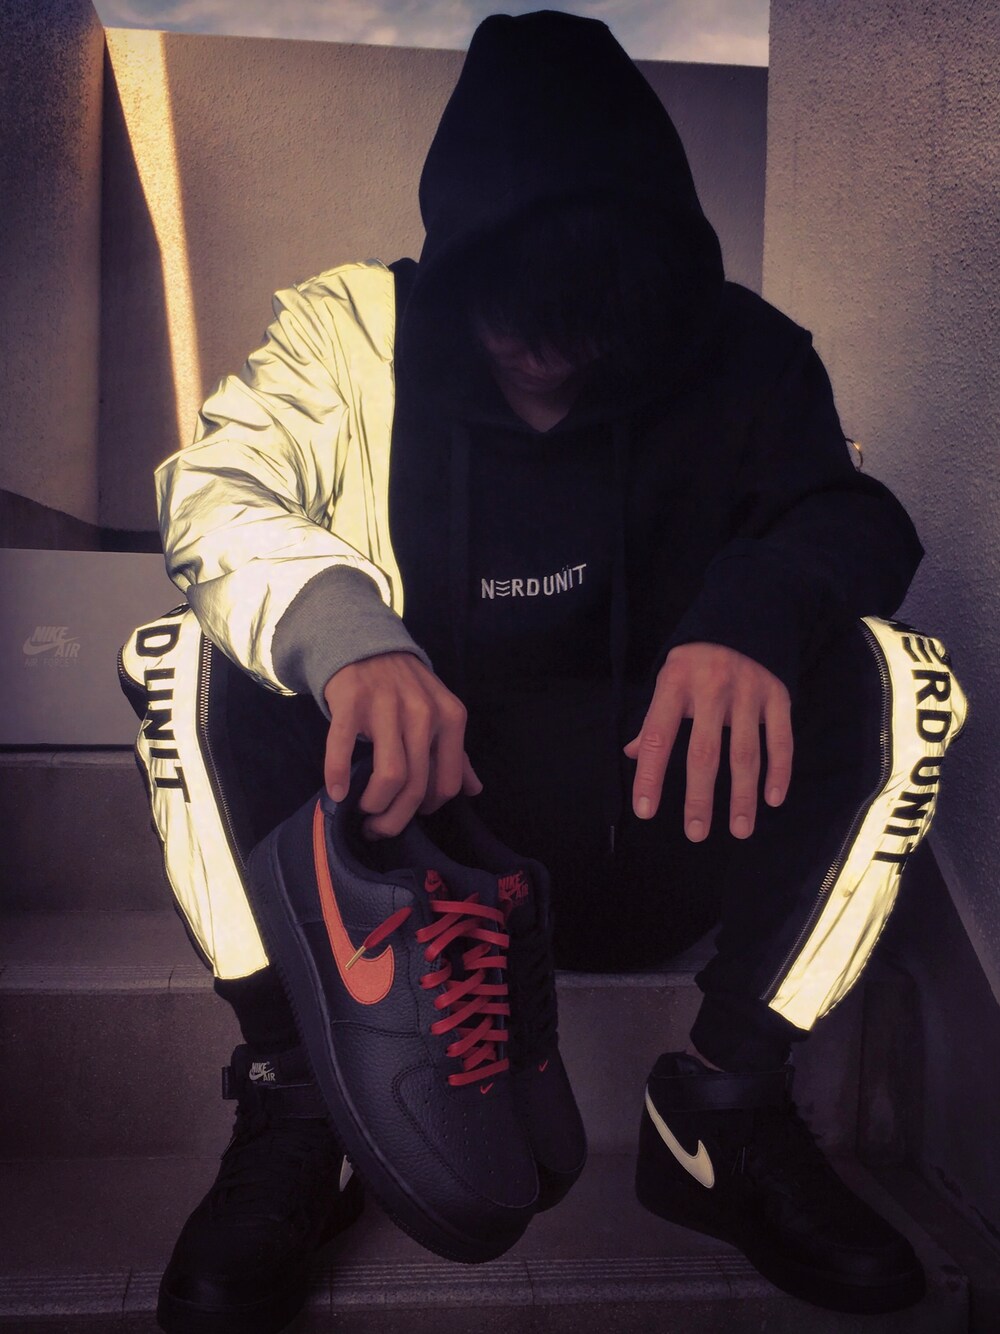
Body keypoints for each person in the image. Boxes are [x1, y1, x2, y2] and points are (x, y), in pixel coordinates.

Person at [119, 10, 967, 1332]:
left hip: (661, 833)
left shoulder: (742, 351)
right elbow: (212, 490)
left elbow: (856, 518)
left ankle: (726, 1102)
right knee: (187, 655)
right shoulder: (353, 336)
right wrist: (349, 633)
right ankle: (297, 1097)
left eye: (589, 326)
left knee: (900, 676)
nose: (548, 357)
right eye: (514, 318)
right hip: (414, 853)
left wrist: (752, 614)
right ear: (457, 267)